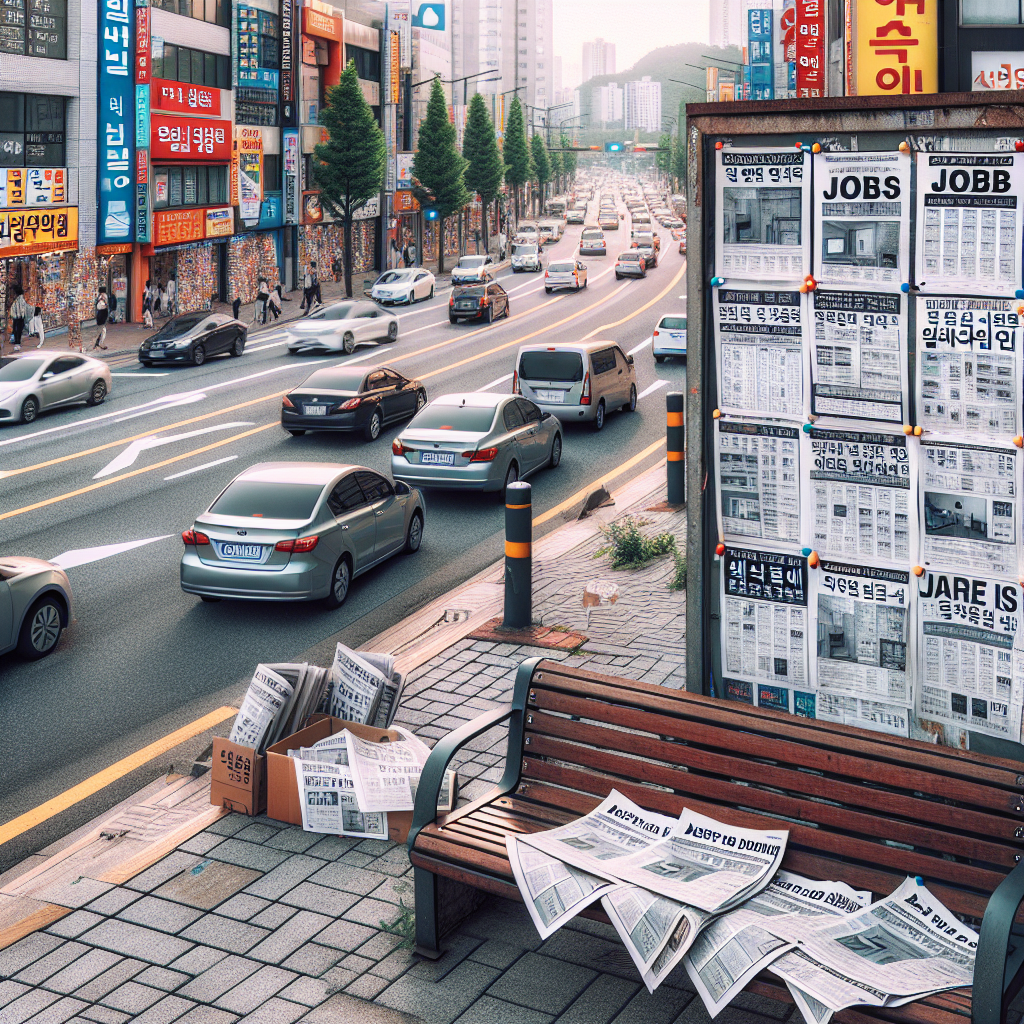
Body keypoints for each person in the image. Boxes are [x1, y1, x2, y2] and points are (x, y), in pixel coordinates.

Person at [7, 286, 29, 352]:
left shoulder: (20, 299)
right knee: (16, 330)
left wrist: (22, 316)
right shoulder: (17, 299)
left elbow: (22, 309)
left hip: (19, 317)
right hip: (17, 317)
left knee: (18, 330)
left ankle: (17, 343)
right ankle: (16, 342)